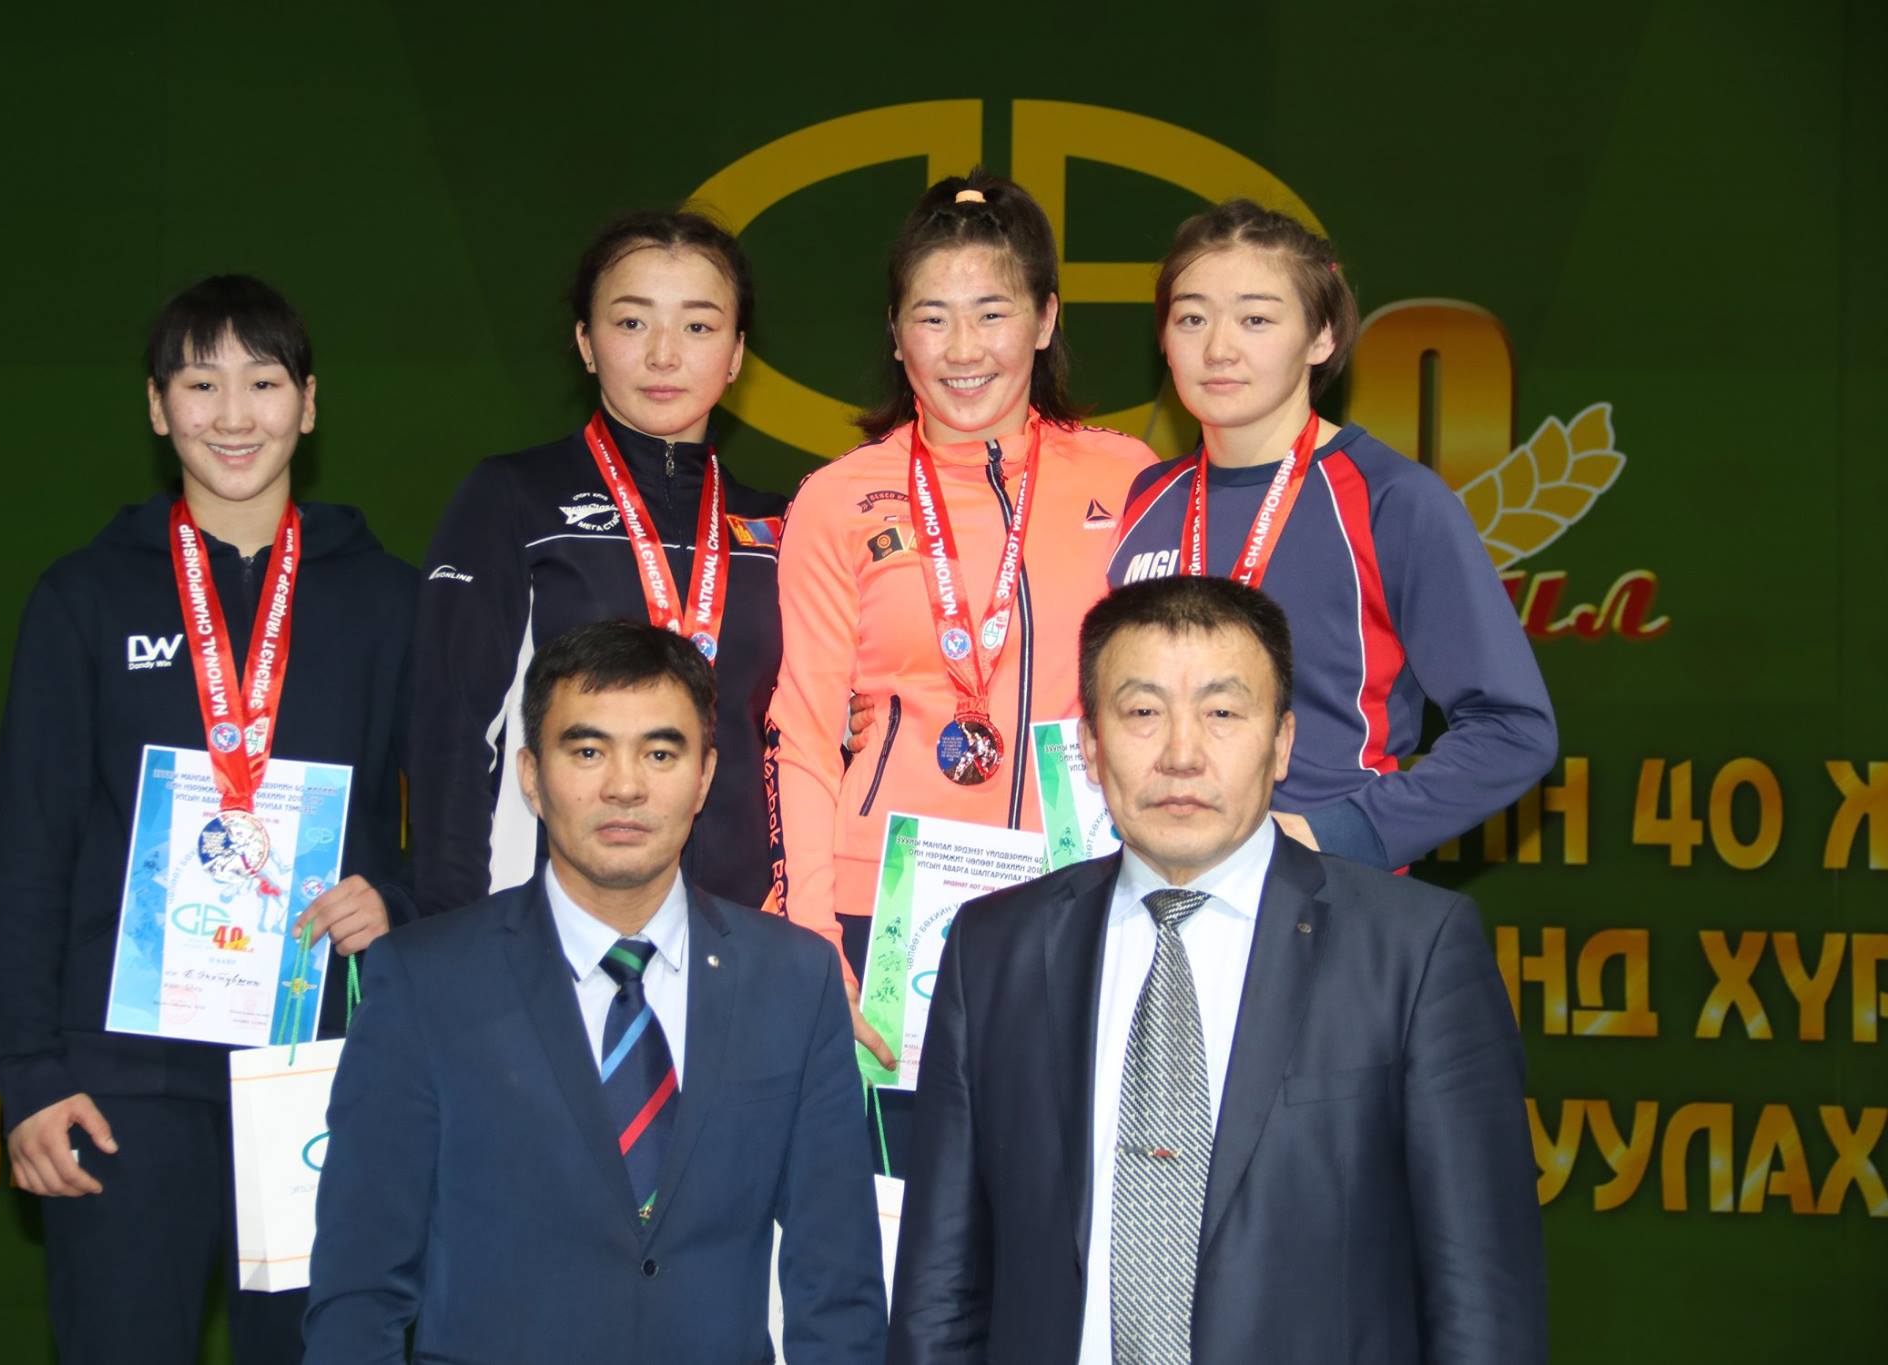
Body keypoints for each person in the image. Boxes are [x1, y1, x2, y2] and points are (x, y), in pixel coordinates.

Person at [888, 575, 1546, 1363]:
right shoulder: (995, 949)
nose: (1181, 754)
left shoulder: (1414, 950)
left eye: (1223, 713)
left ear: (1283, 742)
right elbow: (940, 1289)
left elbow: (1482, 1302)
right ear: (1090, 745)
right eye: (1142, 712)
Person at [0, 275, 417, 1364]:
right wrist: (28, 1072)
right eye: (199, 383)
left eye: (262, 383)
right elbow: (28, 847)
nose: (233, 416)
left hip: (319, 1069)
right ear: (155, 405)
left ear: (308, 404)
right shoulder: (84, 598)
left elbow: (468, 818)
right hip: (122, 1079)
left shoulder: (390, 602)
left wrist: (399, 899)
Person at [305, 621, 886, 1364]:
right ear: (530, 774)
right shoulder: (423, 982)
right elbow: (359, 1296)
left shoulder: (795, 983)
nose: (624, 786)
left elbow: (838, 1294)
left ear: (705, 776)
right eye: (587, 751)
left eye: (660, 753)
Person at [767, 169, 1157, 1068]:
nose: (962, 348)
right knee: (900, 1158)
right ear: (895, 333)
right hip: (884, 902)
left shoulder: (1128, 478)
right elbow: (804, 732)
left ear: (1046, 320)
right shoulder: (837, 498)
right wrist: (811, 934)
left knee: (1050, 1154)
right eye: (932, 316)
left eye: (992, 311)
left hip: (1077, 893)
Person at [1107, 200, 1556, 869]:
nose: (1218, 348)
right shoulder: (1146, 498)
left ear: (1321, 338)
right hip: (1156, 883)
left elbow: (1514, 729)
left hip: (1325, 892)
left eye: (1256, 319)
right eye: (1192, 318)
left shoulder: (1391, 500)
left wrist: (1339, 833)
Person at [412, 209, 789, 916]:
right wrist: (451, 927)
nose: (664, 355)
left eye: (698, 326)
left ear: (737, 353)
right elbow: (452, 729)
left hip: (741, 928)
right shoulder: (513, 497)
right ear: (586, 342)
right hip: (543, 926)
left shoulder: (782, 525)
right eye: (632, 322)